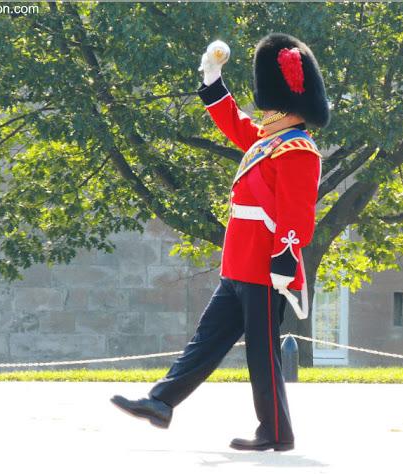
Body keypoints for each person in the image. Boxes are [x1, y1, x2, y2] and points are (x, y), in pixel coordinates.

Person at [110, 32, 329, 452]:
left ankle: (276, 432)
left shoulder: (298, 149)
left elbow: (297, 214)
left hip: (265, 266)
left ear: (289, 107)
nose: (263, 112)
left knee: (262, 356)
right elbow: (234, 122)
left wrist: (284, 255)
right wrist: (213, 80)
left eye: (271, 105)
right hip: (239, 263)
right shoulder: (269, 142)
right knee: (206, 340)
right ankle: (161, 402)